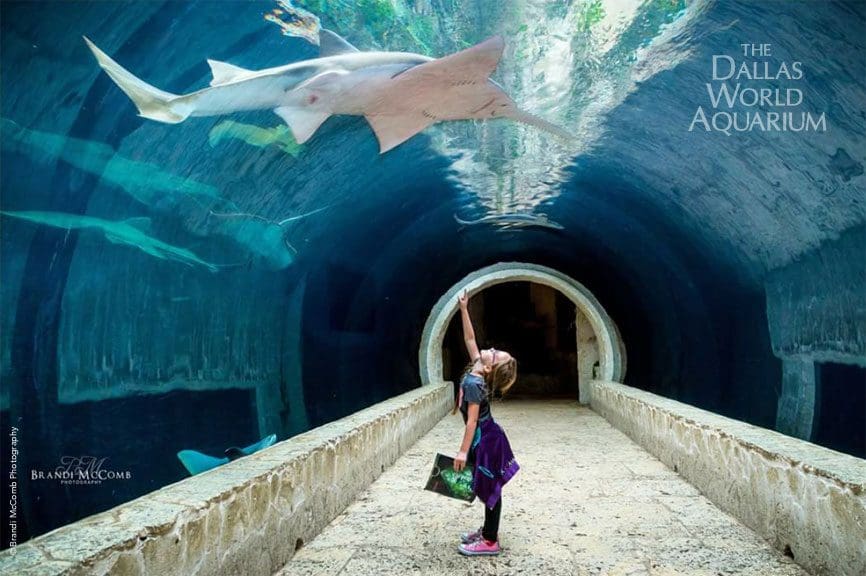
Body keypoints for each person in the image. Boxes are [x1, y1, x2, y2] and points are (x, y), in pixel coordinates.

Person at [453, 288, 520, 556]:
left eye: (494, 353)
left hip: (487, 440)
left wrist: (461, 451)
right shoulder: (478, 367)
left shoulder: (476, 383)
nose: (489, 349)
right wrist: (464, 309)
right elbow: (470, 338)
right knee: (486, 486)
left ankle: (490, 541)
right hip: (488, 436)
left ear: (490, 368)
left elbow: (471, 423)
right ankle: (487, 531)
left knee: (490, 487)